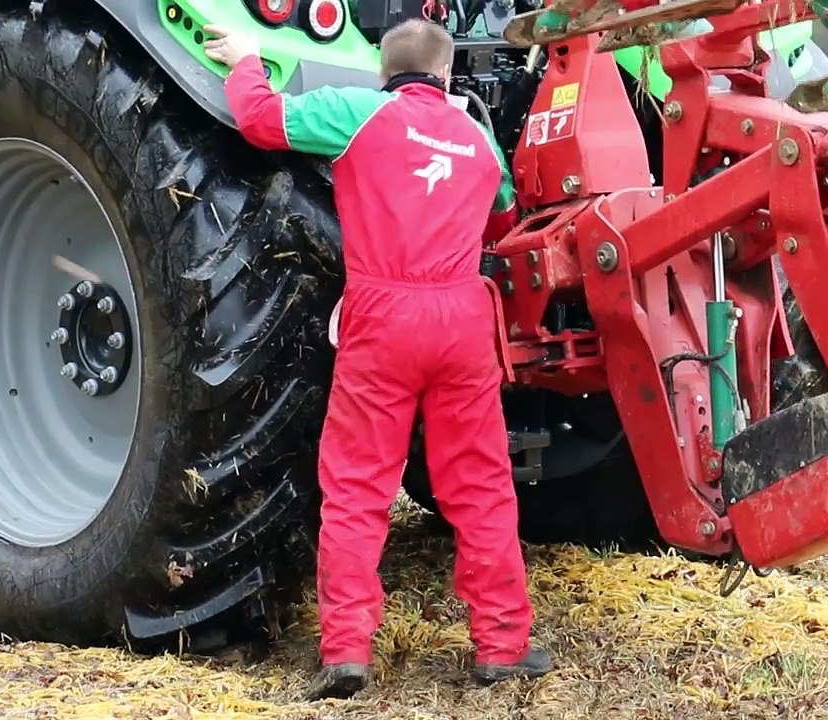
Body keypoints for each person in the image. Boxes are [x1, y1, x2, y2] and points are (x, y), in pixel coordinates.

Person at [202, 19, 551, 700]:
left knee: (359, 486)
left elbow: (261, 121)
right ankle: (502, 645)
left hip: (382, 317)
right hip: (460, 320)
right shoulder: (477, 139)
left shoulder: (360, 113)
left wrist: (247, 60)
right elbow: (505, 221)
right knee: (480, 487)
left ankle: (347, 651)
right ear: (448, 76)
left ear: (385, 72)